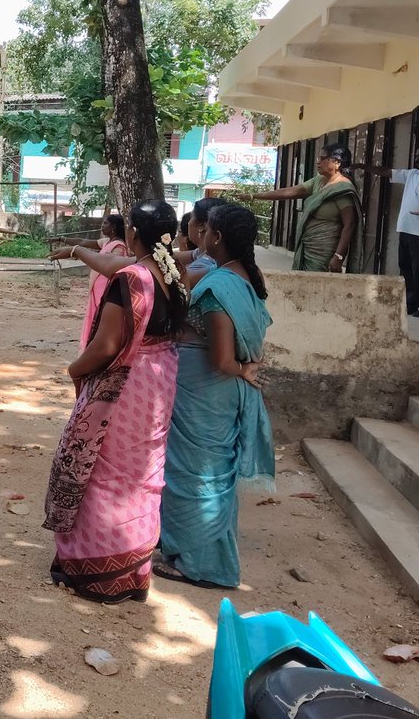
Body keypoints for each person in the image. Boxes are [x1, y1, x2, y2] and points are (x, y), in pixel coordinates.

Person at [43, 200, 187, 604]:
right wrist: (76, 250)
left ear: (132, 235)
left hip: (125, 385)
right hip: (159, 385)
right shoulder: (173, 275)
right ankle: (134, 571)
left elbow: (107, 345)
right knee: (142, 474)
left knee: (103, 469)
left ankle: (96, 571)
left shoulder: (131, 279)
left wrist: (75, 370)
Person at [155, 203, 273, 590]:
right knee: (207, 475)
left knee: (197, 476)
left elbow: (223, 359)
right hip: (212, 395)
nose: (199, 236)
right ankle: (199, 556)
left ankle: (197, 563)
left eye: (205, 232)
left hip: (206, 394)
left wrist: (241, 370)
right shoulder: (243, 282)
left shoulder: (218, 289)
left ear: (217, 237)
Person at [353, 142, 419, 316]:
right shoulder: (412, 175)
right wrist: (363, 166)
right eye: (416, 155)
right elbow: (386, 172)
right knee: (405, 268)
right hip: (405, 229)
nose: (417, 159)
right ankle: (410, 303)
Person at [253, 144, 363, 274]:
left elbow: (350, 224)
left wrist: (338, 256)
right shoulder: (320, 181)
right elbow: (290, 192)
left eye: (323, 158)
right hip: (307, 246)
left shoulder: (342, 189)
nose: (318, 162)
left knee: (319, 286)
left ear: (336, 163)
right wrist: (254, 196)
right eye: (318, 158)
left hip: (324, 250)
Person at [49, 213, 130, 350]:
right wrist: (61, 239)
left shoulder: (119, 246)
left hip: (105, 287)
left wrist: (74, 252)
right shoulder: (107, 242)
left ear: (114, 227)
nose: (102, 226)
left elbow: (110, 267)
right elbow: (82, 242)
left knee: (101, 317)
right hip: (97, 286)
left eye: (105, 223)